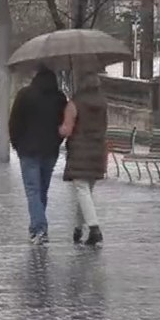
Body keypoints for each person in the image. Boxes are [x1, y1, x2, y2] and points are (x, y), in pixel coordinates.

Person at [8, 67, 68, 244]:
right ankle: (39, 227)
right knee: (42, 189)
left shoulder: (24, 95)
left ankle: (38, 228)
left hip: (28, 150)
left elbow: (14, 123)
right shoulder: (59, 98)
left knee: (33, 190)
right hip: (50, 151)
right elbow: (61, 125)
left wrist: (17, 144)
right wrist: (56, 143)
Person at [59, 71, 108, 246]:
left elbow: (67, 129)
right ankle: (78, 229)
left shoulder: (75, 103)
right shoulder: (103, 103)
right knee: (85, 192)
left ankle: (95, 229)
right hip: (98, 150)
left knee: (81, 189)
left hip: (80, 151)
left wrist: (57, 130)